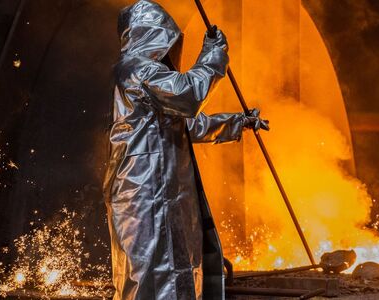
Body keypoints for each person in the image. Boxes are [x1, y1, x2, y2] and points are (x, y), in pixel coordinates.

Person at [104, 1, 268, 299]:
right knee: (149, 275)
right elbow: (189, 94)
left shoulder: (146, 77)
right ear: (151, 35)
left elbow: (190, 125)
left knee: (175, 271)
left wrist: (238, 122)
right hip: (144, 193)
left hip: (161, 194)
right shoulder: (136, 70)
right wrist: (213, 56)